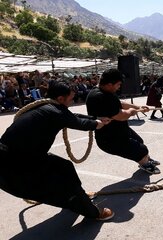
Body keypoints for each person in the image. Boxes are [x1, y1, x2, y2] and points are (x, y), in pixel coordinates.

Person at [0, 80, 114, 221]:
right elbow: (77, 122)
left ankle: (80, 198)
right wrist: (96, 124)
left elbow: (71, 116)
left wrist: (95, 119)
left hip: (13, 160)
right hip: (16, 169)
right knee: (59, 176)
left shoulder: (45, 107)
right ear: (60, 99)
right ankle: (92, 212)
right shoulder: (54, 112)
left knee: (63, 168)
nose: (72, 102)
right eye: (71, 99)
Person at [86, 69, 161, 174]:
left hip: (120, 131)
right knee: (142, 150)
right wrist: (131, 112)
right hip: (110, 139)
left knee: (139, 141)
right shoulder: (99, 97)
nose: (119, 87)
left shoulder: (107, 92)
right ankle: (145, 164)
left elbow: (119, 103)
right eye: (118, 84)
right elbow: (121, 116)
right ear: (109, 84)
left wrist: (138, 107)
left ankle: (145, 158)